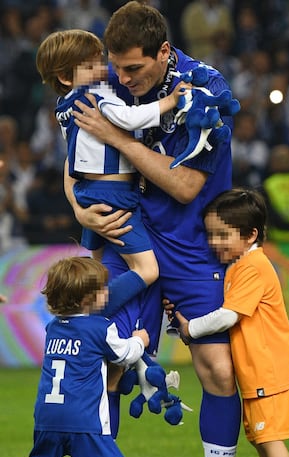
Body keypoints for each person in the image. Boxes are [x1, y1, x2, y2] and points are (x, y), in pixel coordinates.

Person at [64, 0, 257, 457]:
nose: (123, 80)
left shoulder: (207, 92)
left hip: (195, 244)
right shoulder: (105, 83)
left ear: (164, 53)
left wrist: (119, 138)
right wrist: (81, 207)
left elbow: (185, 184)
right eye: (116, 67)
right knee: (105, 370)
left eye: (134, 69)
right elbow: (73, 154)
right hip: (127, 235)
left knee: (218, 370)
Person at [175, 188, 289, 457]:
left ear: (250, 235)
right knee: (263, 439)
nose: (214, 243)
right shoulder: (242, 264)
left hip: (269, 372)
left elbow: (227, 316)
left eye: (223, 235)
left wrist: (191, 328)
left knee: (271, 439)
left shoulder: (253, 266)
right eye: (210, 234)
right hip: (258, 374)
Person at [36, 28, 189, 296]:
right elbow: (130, 118)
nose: (102, 69)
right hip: (114, 196)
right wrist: (170, 101)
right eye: (91, 65)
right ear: (65, 76)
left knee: (101, 271)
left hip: (87, 192)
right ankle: (97, 309)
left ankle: (89, 319)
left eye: (100, 60)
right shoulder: (94, 96)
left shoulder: (63, 106)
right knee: (147, 270)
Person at [18, 256, 150, 457]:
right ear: (88, 299)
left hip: (47, 412)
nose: (108, 293)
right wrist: (140, 339)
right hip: (84, 414)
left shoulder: (52, 328)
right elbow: (124, 354)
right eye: (103, 289)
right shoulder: (101, 327)